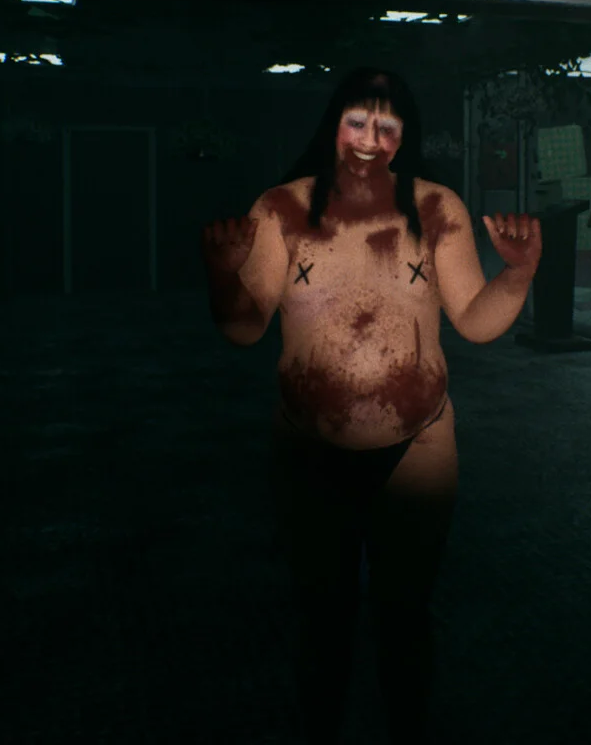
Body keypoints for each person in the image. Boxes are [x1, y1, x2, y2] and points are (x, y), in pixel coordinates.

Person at [201, 66, 542, 744]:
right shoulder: (282, 209)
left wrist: (517, 272)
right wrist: (222, 275)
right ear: (333, 123)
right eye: (357, 121)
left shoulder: (437, 210)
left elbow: (475, 321)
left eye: (387, 126)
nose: (368, 139)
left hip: (420, 447)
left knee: (406, 616)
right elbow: (243, 328)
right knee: (321, 618)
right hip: (307, 447)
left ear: (405, 136)